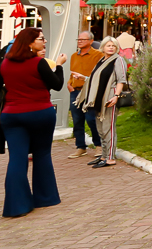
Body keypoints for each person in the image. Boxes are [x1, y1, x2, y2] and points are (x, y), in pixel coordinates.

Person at [0, 27, 67, 218]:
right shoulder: (38, 63)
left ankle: (16, 206)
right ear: (30, 43)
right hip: (39, 112)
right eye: (41, 39)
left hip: (11, 115)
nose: (44, 42)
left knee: (17, 158)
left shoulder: (5, 63)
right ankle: (46, 198)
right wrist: (59, 65)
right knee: (42, 154)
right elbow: (57, 84)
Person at [75, 36, 128, 168]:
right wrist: (84, 78)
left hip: (109, 98)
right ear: (103, 47)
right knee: (100, 128)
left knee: (108, 128)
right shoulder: (102, 60)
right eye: (108, 45)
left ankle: (110, 158)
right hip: (99, 98)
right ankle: (104, 155)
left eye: (113, 46)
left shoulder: (118, 60)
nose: (111, 48)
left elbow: (121, 80)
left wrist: (116, 96)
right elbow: (96, 78)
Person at [66, 31, 104, 159]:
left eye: (83, 39)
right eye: (78, 39)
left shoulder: (98, 55)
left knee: (91, 119)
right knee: (77, 120)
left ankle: (98, 145)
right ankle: (80, 147)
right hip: (75, 91)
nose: (80, 41)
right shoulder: (74, 56)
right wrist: (69, 84)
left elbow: (99, 74)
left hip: (89, 91)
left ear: (91, 41)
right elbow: (72, 72)